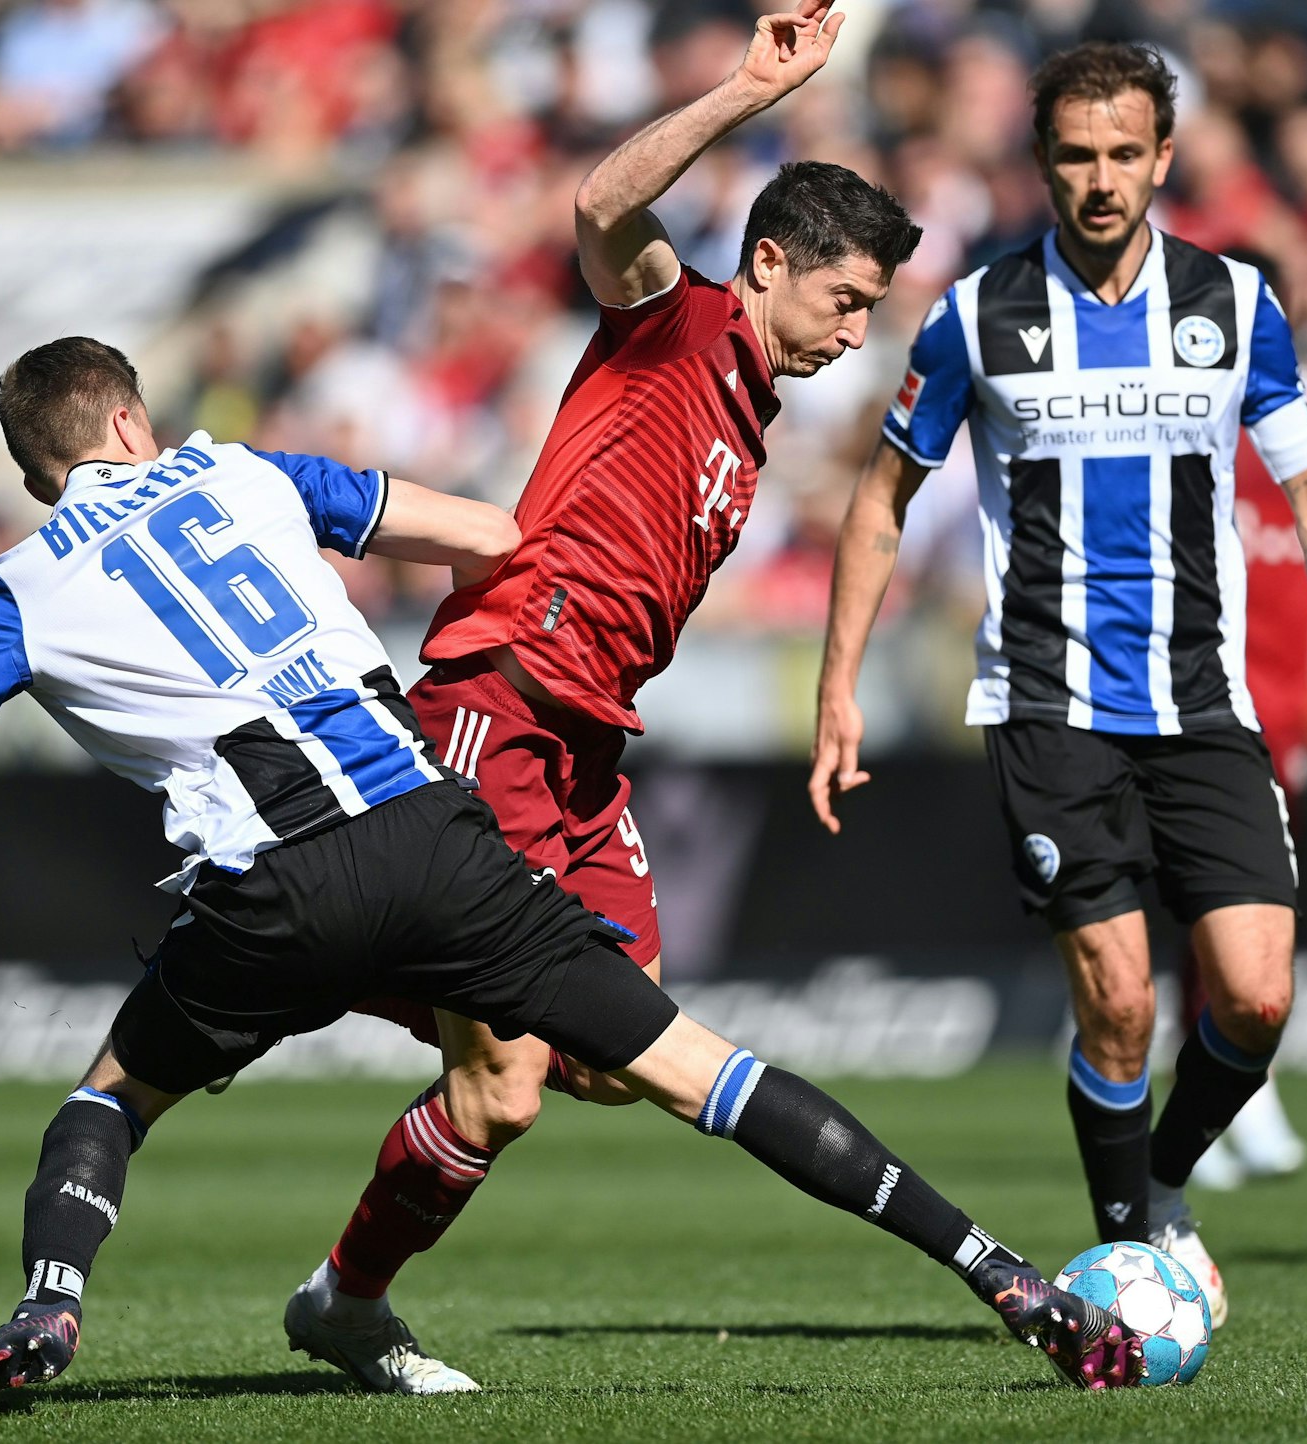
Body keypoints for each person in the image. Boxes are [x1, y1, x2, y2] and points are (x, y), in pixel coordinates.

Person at [0, 337, 1143, 1415]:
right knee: (699, 1069)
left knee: (109, 1100)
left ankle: (48, 1309)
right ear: (137, 423)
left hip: (271, 891)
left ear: (40, 471)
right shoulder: (243, 472)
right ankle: (1004, 1275)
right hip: (438, 832)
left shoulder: (18, 584)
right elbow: (486, 532)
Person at [280, 2, 924, 1393]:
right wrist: (748, 92)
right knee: (508, 1075)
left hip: (585, 755)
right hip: (501, 696)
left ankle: (364, 985)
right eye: (845, 302)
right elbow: (599, 200)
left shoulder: (748, 421)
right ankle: (345, 1279)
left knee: (604, 1051)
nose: (854, 335)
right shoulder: (673, 320)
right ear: (767, 265)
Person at [809, 42, 1307, 1331]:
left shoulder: (1235, 303)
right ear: (1042, 161)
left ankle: (1165, 1177)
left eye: (1121, 153)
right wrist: (837, 687)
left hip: (1203, 705)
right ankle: (1128, 1248)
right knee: (1121, 999)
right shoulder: (975, 313)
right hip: (1045, 704)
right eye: (1074, 155)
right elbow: (878, 501)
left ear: (1161, 159)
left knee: (1254, 993)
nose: (1098, 179)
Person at [1184, 247, 1307, 1192]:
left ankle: (1231, 1091)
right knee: (1199, 893)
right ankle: (1229, 1102)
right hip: (1190, 685)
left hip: (1287, 689)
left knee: (1258, 896)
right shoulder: (1171, 403)